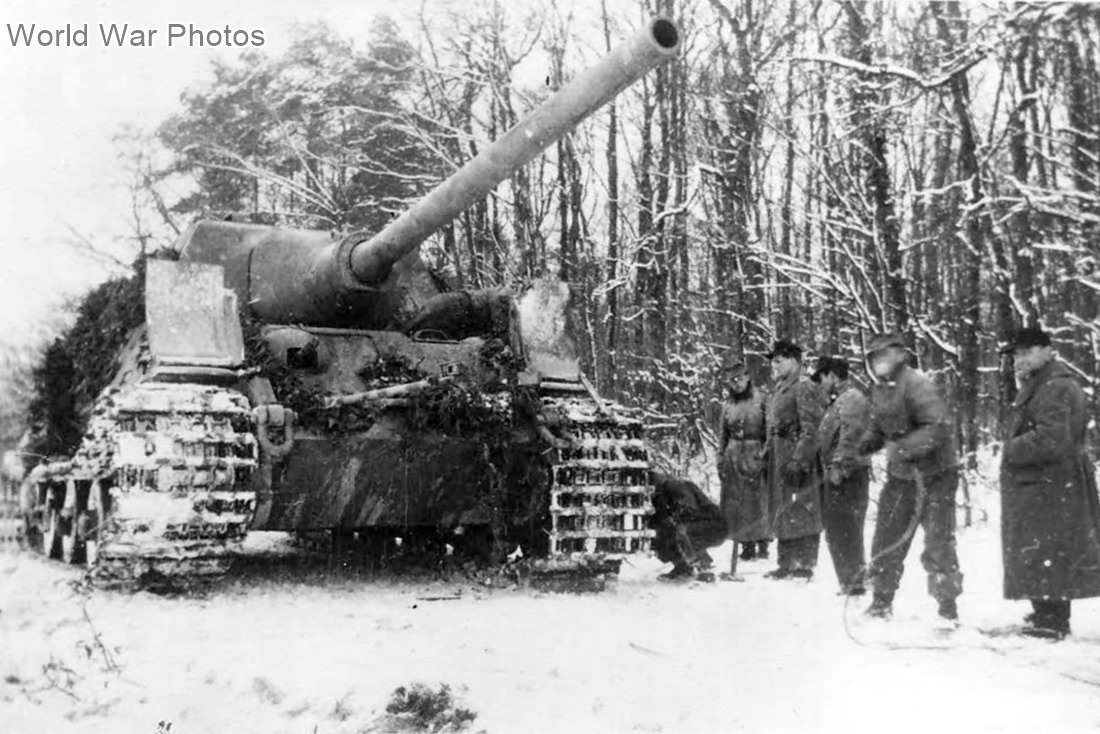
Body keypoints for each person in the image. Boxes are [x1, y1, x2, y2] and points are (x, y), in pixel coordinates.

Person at [999, 327, 1100, 639]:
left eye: (1027, 352)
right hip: (1045, 484)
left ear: (1047, 350)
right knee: (1044, 550)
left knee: (1048, 550)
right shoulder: (1043, 383)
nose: (1019, 360)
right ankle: (1047, 611)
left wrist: (1011, 448)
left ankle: (1052, 620)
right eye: (1016, 354)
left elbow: (1051, 438)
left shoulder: (1054, 386)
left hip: (1051, 485)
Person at [856, 332, 962, 624]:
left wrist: (904, 446)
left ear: (901, 355)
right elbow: (880, 425)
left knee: (938, 544)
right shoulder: (880, 388)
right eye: (874, 356)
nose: (879, 361)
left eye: (884, 354)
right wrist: (867, 442)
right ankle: (881, 601)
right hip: (901, 477)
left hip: (936, 475)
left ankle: (947, 608)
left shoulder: (917, 384)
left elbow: (937, 427)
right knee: (886, 539)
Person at [763, 339, 824, 580]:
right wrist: (766, 452)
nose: (774, 366)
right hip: (779, 456)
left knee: (803, 507)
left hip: (798, 458)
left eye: (779, 360)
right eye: (773, 362)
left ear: (795, 362)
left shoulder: (803, 388)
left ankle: (805, 564)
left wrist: (799, 460)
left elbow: (811, 428)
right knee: (783, 507)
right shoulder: (778, 390)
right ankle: (786, 563)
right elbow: (773, 427)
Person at [812, 356, 871, 596]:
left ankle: (854, 582)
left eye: (822, 377)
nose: (821, 383)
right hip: (838, 472)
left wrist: (839, 464)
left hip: (848, 474)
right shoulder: (838, 401)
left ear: (833, 375)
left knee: (845, 528)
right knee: (838, 529)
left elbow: (851, 436)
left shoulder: (852, 399)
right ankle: (850, 581)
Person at [716, 359, 771, 580]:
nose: (736, 384)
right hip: (733, 455)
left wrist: (765, 456)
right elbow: (723, 436)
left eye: (739, 379)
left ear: (748, 377)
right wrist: (721, 459)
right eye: (732, 381)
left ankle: (763, 543)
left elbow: (769, 431)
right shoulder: (727, 405)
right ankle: (745, 545)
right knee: (737, 503)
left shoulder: (762, 400)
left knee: (757, 501)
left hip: (755, 452)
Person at [651, 471, 728, 582]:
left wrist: (673, 520)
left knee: (683, 531)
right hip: (697, 523)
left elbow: (687, 510)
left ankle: (705, 569)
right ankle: (682, 568)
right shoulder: (660, 492)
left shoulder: (675, 485)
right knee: (662, 533)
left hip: (714, 525)